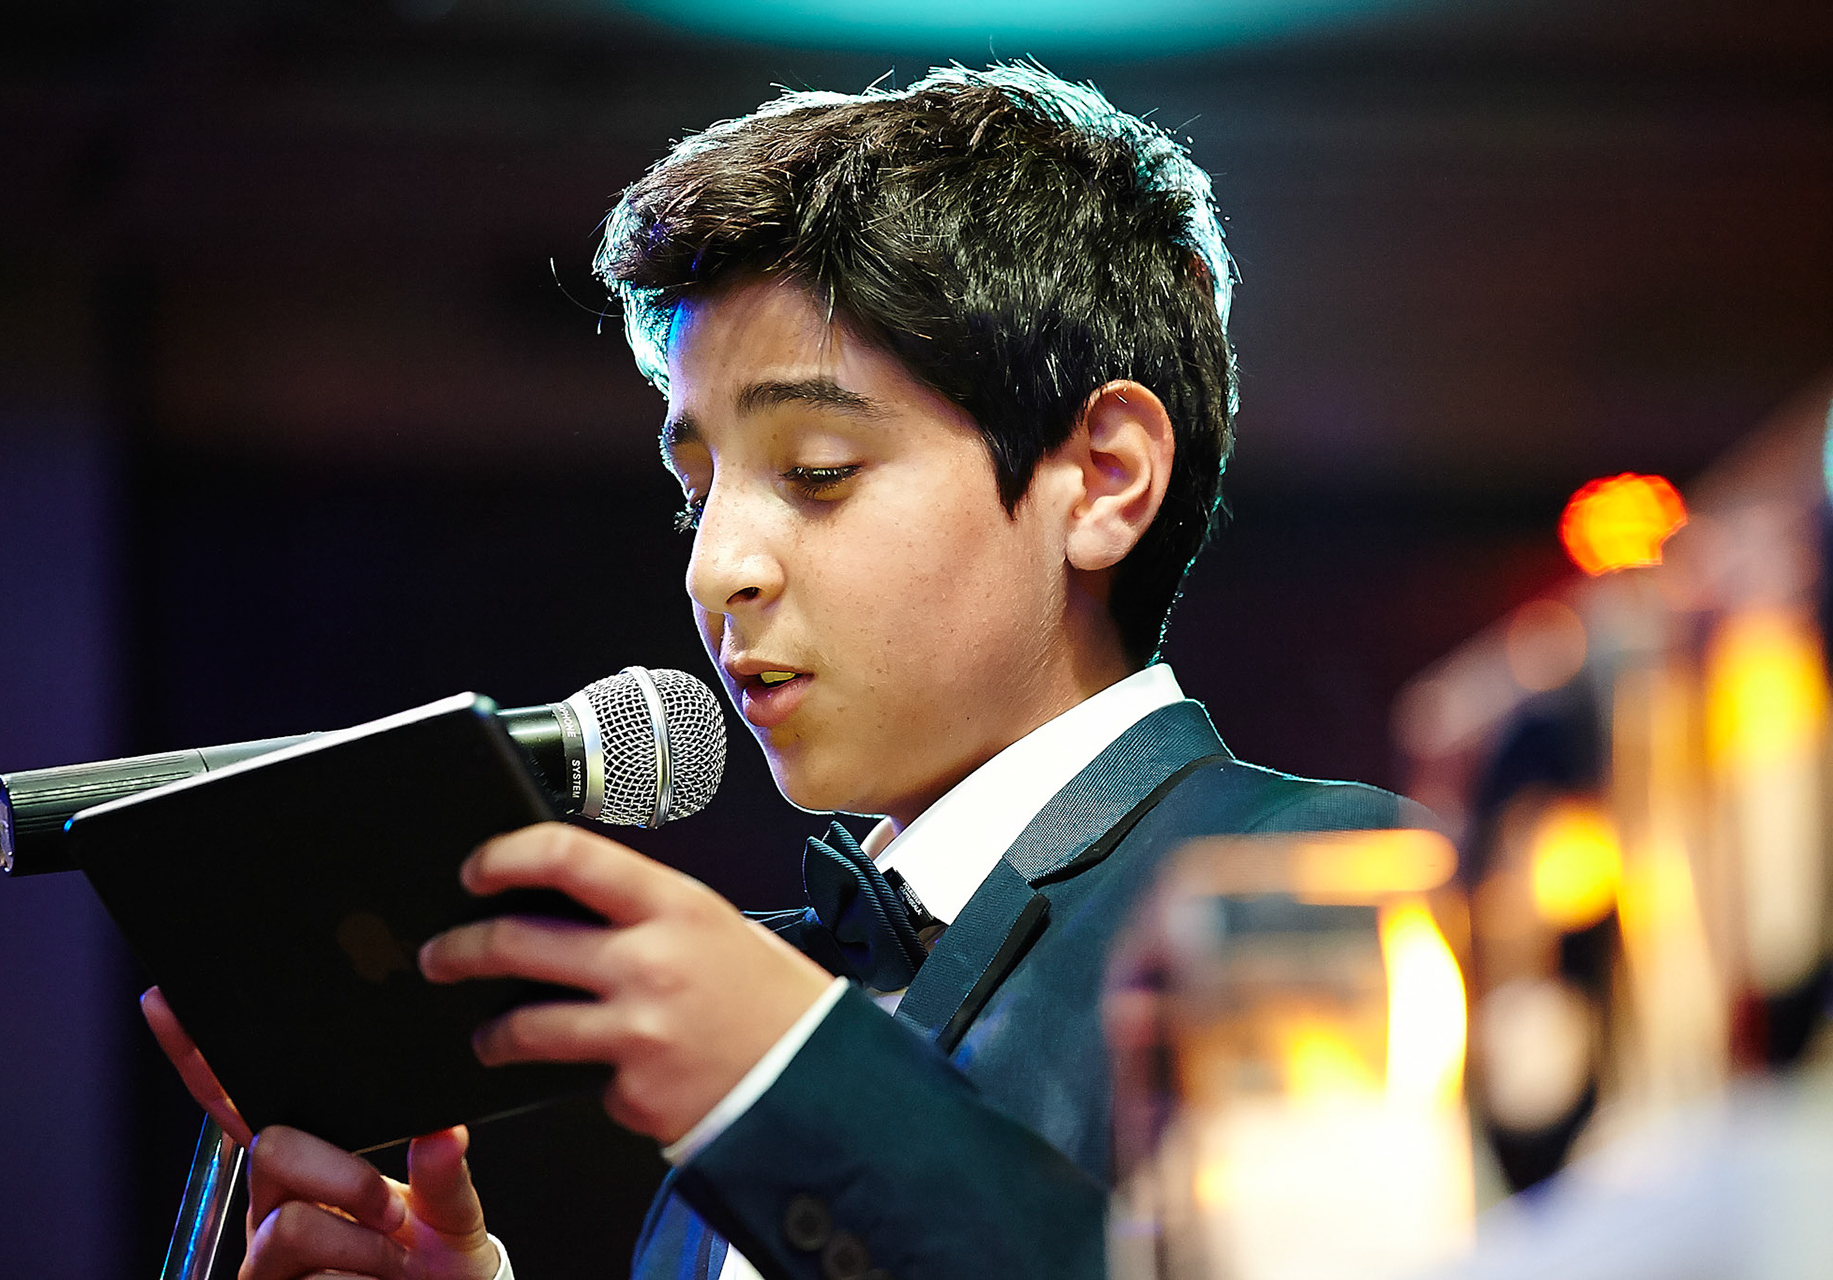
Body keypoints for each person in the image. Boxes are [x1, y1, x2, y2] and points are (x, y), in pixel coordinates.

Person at [143, 63, 1419, 1280]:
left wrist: (785, 1075)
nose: (715, 568)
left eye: (817, 471)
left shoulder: (1325, 881)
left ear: (1103, 479)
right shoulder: (797, 1001)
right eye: (693, 490)